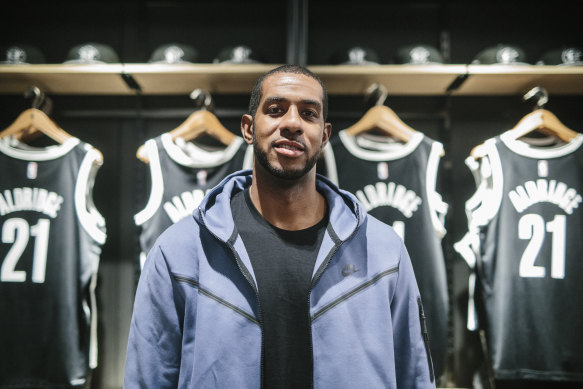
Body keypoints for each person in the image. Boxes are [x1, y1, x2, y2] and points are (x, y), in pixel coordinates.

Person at [124, 65, 435, 388]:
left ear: (324, 135)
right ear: (248, 128)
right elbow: (148, 376)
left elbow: (413, 372)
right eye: (275, 110)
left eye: (309, 114)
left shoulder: (383, 250)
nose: (291, 123)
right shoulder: (180, 249)